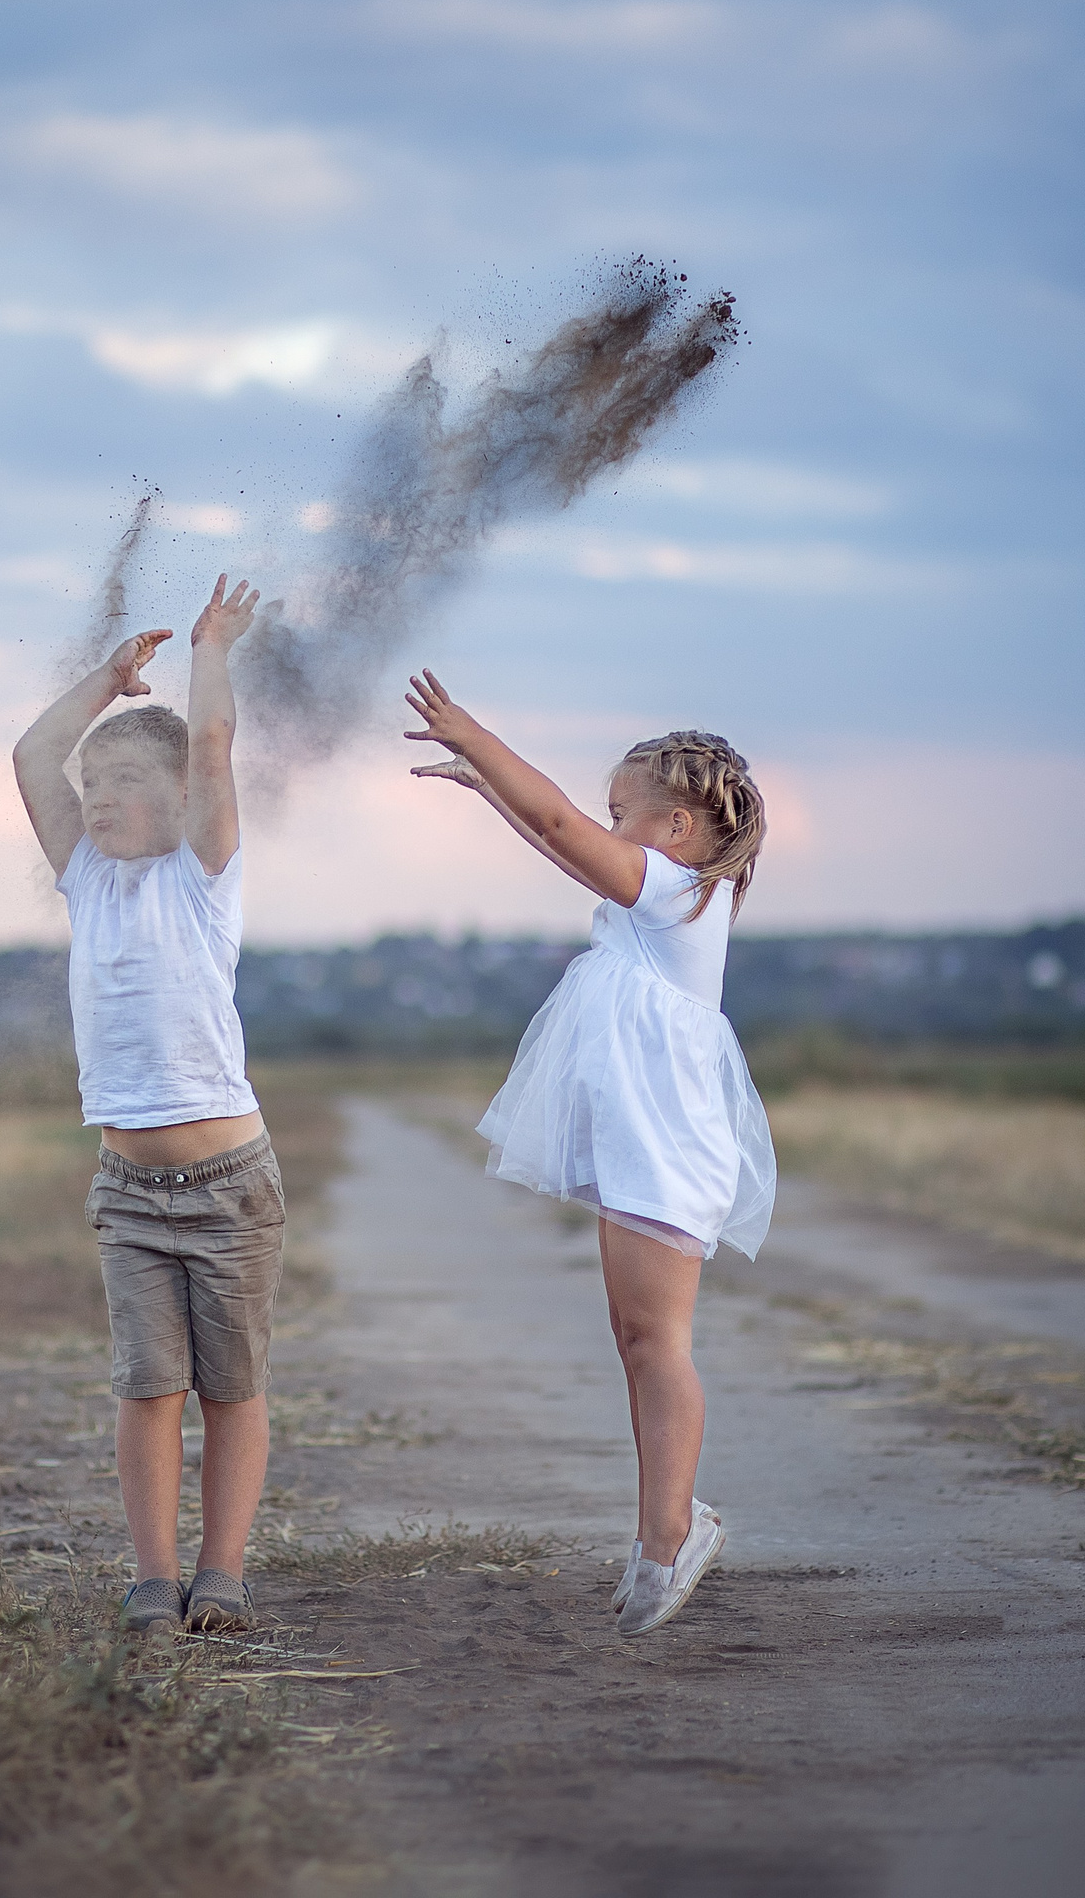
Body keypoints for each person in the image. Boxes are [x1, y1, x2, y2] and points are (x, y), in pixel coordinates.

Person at [405, 671, 774, 1636]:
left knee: (658, 1343)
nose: (607, 827)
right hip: (644, 1135)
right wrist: (494, 795)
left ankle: (669, 1540)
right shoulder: (663, 894)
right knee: (635, 1337)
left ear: (678, 829)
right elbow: (564, 844)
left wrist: (477, 737)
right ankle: (666, 1523)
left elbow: (568, 834)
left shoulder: (678, 891)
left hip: (666, 1139)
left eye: (625, 813)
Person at [13, 574, 281, 1640]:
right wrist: (107, 685)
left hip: (228, 1187)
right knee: (144, 1388)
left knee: (231, 1388)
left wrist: (211, 648)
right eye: (99, 784)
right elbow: (34, 758)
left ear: (178, 801)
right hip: (127, 1188)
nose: (102, 796)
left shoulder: (201, 878)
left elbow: (212, 745)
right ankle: (150, 1577)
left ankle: (222, 1573)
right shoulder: (84, 876)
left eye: (127, 780)